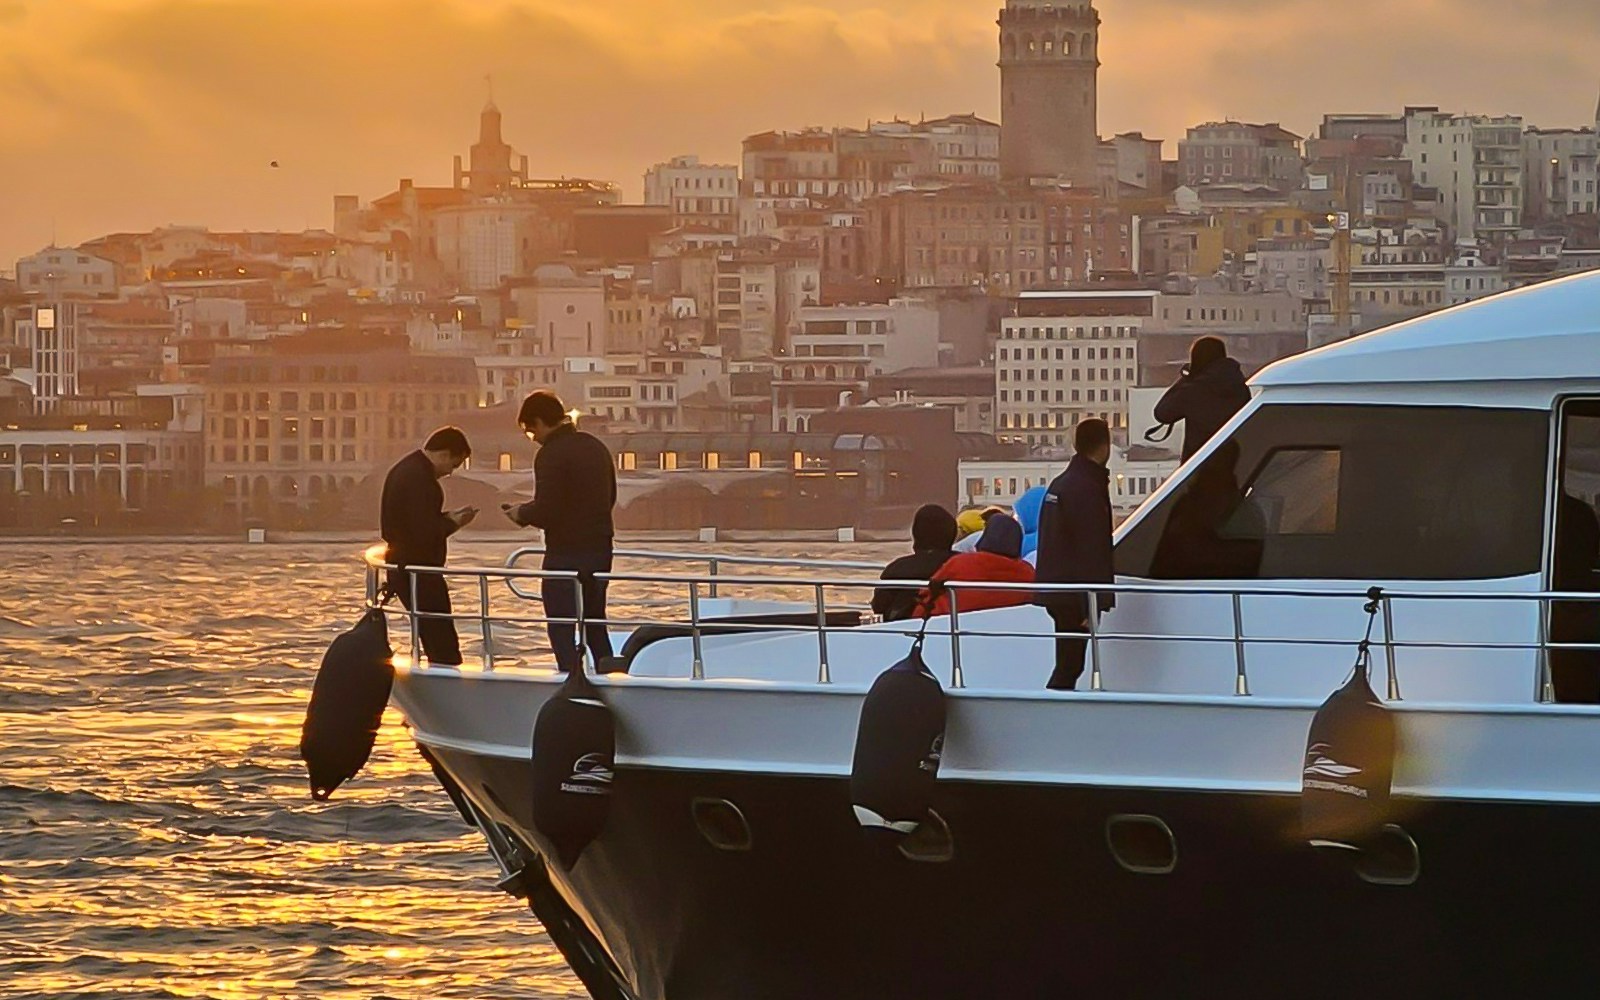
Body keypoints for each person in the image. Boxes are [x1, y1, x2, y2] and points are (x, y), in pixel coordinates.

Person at [503, 391, 618, 673]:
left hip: (566, 552)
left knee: (560, 624)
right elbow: (610, 496)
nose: (533, 438)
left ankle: (570, 678)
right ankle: (610, 675)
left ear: (541, 422)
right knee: (594, 622)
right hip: (600, 547)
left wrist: (521, 513)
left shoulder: (551, 454)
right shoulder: (595, 446)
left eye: (531, 431)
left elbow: (547, 510)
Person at [380, 427, 477, 667]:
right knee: (441, 639)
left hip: (403, 564)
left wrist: (445, 519)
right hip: (418, 569)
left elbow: (416, 521)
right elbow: (423, 532)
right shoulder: (421, 481)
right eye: (454, 464)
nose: (451, 472)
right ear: (444, 454)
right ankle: (448, 678)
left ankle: (441, 673)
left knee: (431, 632)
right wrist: (452, 522)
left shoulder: (407, 470)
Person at [1034, 419, 1116, 691]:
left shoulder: (1062, 484)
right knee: (1071, 664)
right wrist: (1089, 603)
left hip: (1057, 588)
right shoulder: (1087, 488)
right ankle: (1051, 710)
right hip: (1074, 594)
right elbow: (1091, 548)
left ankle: (1053, 708)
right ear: (1105, 446)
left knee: (1067, 661)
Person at [1153, 336, 1252, 461]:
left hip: (1199, 464)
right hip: (1235, 462)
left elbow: (1162, 413)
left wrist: (1187, 377)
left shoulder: (1194, 389)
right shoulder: (1239, 386)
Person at [918, 513, 1035, 618]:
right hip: (1008, 631)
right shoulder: (1027, 572)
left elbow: (928, 590)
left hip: (949, 626)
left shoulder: (960, 562)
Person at [872, 504, 958, 623]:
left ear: (916, 534)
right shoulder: (963, 564)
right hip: (956, 629)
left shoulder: (897, 569)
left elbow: (879, 606)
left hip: (903, 632)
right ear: (952, 533)